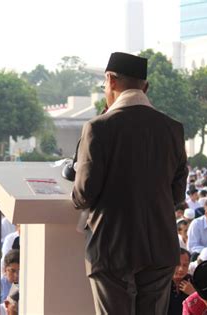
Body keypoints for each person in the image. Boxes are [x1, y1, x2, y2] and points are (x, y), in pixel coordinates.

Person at [71, 52, 188, 315]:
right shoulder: (173, 129)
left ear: (110, 80)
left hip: (111, 246)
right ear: (145, 87)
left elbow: (84, 195)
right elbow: (177, 194)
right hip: (160, 245)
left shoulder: (98, 127)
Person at [168, 248, 194, 315]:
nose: (181, 269)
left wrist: (193, 294)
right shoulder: (162, 283)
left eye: (185, 265)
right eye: (177, 264)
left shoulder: (193, 281)